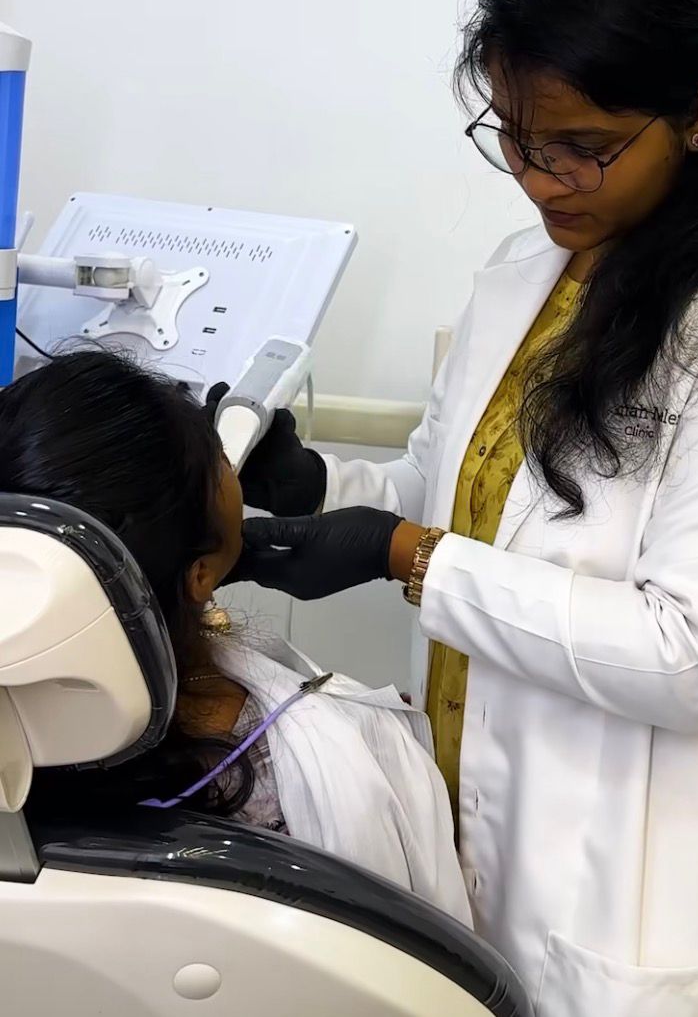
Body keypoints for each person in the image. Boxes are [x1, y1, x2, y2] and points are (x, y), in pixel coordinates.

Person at [227, 0, 698, 1017]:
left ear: (695, 115)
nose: (545, 180)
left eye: (584, 147)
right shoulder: (525, 270)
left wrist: (407, 556)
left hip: (655, 882)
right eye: (515, 139)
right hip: (488, 830)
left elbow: (688, 651)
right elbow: (456, 496)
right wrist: (318, 491)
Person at [2, 350, 470, 924]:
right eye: (216, 453)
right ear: (200, 573)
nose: (230, 460)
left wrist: (318, 485)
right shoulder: (324, 759)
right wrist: (397, 552)